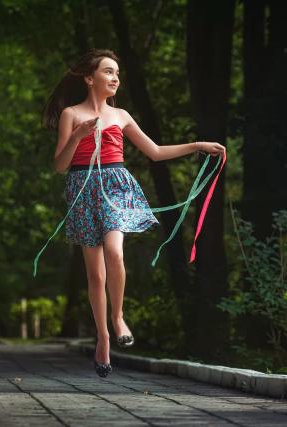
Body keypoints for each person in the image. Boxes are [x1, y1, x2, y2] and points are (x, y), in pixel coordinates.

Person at [42, 48, 225, 378]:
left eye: (117, 73)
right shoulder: (72, 114)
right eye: (108, 72)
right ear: (89, 78)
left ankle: (118, 317)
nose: (115, 78)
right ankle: (103, 338)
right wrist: (78, 137)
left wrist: (198, 146)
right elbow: (59, 166)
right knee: (95, 275)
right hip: (82, 190)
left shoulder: (121, 115)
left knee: (114, 252)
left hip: (116, 188)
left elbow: (154, 152)